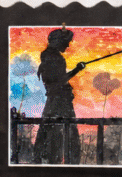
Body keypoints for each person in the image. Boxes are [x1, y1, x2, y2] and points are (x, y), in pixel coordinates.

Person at [33, 27, 86, 165]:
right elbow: (60, 80)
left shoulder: (48, 57)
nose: (68, 45)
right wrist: (77, 69)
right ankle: (70, 164)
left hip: (55, 100)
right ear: (58, 42)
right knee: (68, 133)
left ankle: (45, 161)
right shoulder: (55, 58)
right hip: (60, 101)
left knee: (50, 131)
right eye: (66, 42)